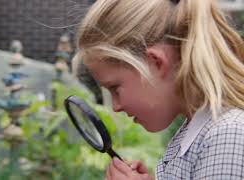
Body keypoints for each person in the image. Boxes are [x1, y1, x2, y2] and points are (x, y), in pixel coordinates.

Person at [71, 0, 244, 179]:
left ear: (156, 62)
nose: (115, 106)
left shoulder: (227, 135)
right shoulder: (192, 133)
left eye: (115, 88)